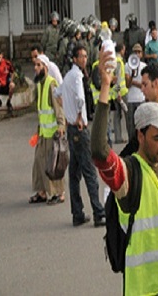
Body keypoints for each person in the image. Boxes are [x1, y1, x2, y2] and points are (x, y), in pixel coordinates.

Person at [90, 50, 158, 295]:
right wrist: (105, 87)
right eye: (157, 138)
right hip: (145, 288)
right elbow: (100, 152)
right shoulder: (129, 174)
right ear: (140, 136)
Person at [55, 45, 105, 227]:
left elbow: (57, 93)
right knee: (90, 172)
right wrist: (77, 116)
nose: (84, 59)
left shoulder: (68, 76)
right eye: (81, 56)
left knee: (74, 174)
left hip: (71, 128)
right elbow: (80, 99)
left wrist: (67, 110)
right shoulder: (76, 77)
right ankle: (99, 213)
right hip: (79, 127)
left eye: (85, 56)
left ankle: (77, 213)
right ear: (74, 59)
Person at [30, 54, 66, 205]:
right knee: (39, 162)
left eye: (39, 65)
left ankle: (60, 193)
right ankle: (42, 192)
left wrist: (61, 125)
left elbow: (58, 107)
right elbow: (41, 110)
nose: (36, 68)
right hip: (43, 133)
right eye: (35, 65)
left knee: (54, 165)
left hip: (53, 133)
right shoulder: (39, 85)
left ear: (46, 67)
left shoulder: (51, 84)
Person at [124, 43, 147, 146]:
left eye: (139, 52)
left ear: (141, 54)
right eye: (135, 52)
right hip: (131, 99)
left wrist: (136, 83)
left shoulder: (144, 66)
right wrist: (132, 76)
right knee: (131, 127)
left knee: (141, 125)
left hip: (141, 98)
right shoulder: (127, 65)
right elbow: (127, 84)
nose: (137, 54)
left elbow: (145, 84)